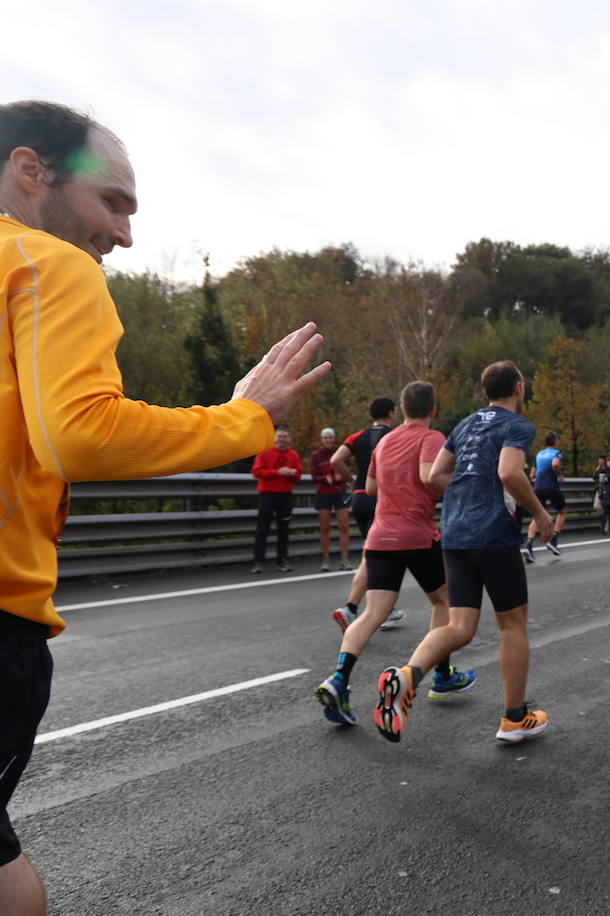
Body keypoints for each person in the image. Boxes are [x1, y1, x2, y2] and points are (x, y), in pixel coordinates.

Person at [0, 99, 328, 916]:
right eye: (111, 201)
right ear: (30, 171)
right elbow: (79, 434)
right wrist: (246, 415)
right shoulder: (45, 262)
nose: (123, 234)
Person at [374, 361, 552, 744]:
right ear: (518, 388)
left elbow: (435, 476)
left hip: (455, 532)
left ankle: (408, 676)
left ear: (485, 391)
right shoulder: (517, 426)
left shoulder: (465, 424)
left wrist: (468, 490)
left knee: (459, 626)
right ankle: (514, 718)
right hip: (493, 534)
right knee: (512, 625)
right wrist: (540, 512)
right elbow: (509, 472)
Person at [314, 382, 456, 729]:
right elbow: (429, 477)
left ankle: (338, 678)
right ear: (432, 410)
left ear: (403, 409)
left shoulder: (384, 440)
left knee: (373, 613)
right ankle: (442, 674)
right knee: (445, 604)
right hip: (417, 535)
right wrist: (457, 485)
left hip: (380, 536)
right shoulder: (431, 437)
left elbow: (373, 487)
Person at [329, 398, 404, 632]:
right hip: (382, 498)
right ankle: (354, 608)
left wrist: (351, 480)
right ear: (391, 413)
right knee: (375, 557)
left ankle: (379, 609)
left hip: (359, 499)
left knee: (374, 554)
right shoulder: (395, 435)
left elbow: (336, 459)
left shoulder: (357, 436)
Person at [250, 427, 302, 572]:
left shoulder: (294, 455)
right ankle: (258, 561)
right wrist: (277, 472)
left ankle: (282, 560)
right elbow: (256, 472)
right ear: (274, 438)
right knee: (262, 529)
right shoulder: (264, 452)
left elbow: (298, 475)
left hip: (285, 496)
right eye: (279, 436)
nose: (282, 439)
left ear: (289, 439)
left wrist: (291, 473)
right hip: (267, 495)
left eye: (285, 437)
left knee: (283, 529)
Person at [309, 427, 350, 572]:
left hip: (339, 492)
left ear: (334, 439)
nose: (328, 440)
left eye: (330, 437)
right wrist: (324, 479)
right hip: (323, 493)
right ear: (322, 439)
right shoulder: (316, 455)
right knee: (324, 527)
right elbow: (314, 477)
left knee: (344, 526)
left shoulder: (341, 452)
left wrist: (341, 476)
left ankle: (344, 559)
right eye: (325, 437)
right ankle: (326, 559)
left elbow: (348, 472)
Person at [524, 431, 566, 558]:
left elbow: (532, 475)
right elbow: (555, 464)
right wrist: (560, 475)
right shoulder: (556, 453)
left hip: (538, 488)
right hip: (552, 487)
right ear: (555, 442)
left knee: (536, 515)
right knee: (562, 512)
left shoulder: (539, 454)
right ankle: (553, 541)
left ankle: (529, 546)